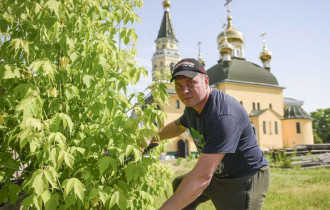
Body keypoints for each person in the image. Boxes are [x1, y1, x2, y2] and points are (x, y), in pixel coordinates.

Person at [149, 58, 270, 210]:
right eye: (178, 85)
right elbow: (179, 125)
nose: (184, 91)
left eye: (191, 83)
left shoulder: (222, 116)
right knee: (180, 184)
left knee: (192, 185)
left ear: (206, 81)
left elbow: (202, 178)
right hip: (219, 173)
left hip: (243, 177)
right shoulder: (192, 106)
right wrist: (152, 138)